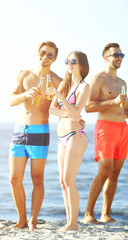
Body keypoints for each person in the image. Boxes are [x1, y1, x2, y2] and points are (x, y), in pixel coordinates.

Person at [9, 41, 62, 231]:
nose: (45, 57)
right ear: (37, 53)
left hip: (40, 132)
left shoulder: (57, 81)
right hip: (19, 131)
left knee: (37, 178)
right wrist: (25, 95)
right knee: (14, 179)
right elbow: (11, 100)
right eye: (43, 53)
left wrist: (56, 96)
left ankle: (33, 220)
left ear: (54, 58)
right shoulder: (24, 74)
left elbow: (63, 107)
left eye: (50, 55)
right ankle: (21, 220)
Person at [82, 43, 128, 224]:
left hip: (122, 129)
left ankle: (105, 214)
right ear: (106, 57)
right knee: (104, 170)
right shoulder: (98, 78)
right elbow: (88, 106)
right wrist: (113, 101)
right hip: (105, 129)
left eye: (121, 55)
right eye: (115, 55)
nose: (119, 58)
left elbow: (123, 110)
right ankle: (88, 214)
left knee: (115, 172)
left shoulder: (123, 83)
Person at [46, 51, 90, 231]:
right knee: (62, 182)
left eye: (73, 61)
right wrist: (65, 112)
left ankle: (73, 225)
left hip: (75, 136)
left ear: (81, 65)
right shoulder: (65, 84)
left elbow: (77, 112)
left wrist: (60, 95)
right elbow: (52, 109)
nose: (69, 64)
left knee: (69, 180)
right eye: (67, 61)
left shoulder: (84, 87)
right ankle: (69, 222)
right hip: (61, 137)